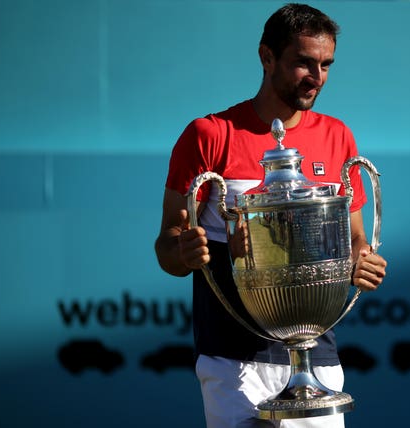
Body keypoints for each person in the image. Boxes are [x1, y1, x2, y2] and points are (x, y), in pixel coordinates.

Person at [155, 3, 387, 427]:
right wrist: (187, 252)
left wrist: (361, 260)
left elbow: (355, 238)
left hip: (319, 358)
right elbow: (168, 244)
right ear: (267, 57)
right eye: (303, 62)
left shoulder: (338, 136)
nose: (316, 77)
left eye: (325, 65)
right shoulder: (209, 135)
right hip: (232, 360)